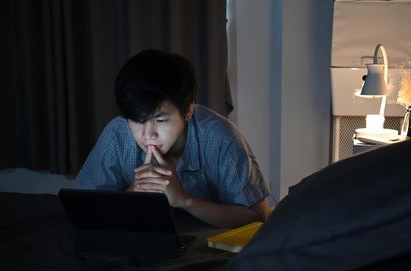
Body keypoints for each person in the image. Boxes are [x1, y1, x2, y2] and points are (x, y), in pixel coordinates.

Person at [76, 49, 270, 228]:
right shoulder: (117, 132)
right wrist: (134, 192)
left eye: (160, 120)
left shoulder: (221, 138)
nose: (148, 135)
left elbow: (258, 215)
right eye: (137, 121)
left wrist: (184, 200)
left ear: (188, 111)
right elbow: (89, 210)